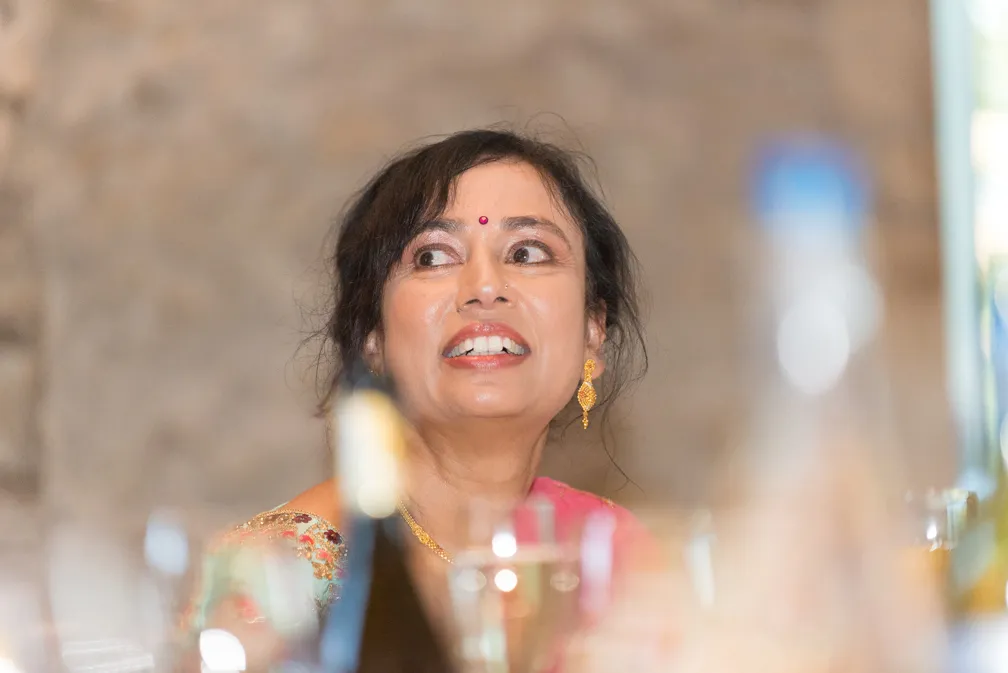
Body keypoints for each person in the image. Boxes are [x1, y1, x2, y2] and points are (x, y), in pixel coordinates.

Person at [177, 128, 661, 669]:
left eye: (527, 252)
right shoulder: (286, 579)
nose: (485, 285)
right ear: (372, 339)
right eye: (433, 257)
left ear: (594, 327)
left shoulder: (614, 559)